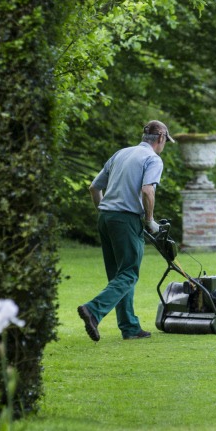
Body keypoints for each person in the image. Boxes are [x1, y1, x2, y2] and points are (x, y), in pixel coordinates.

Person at [77, 120, 175, 342]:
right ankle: (93, 310)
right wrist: (150, 220)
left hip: (106, 217)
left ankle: (130, 327)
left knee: (118, 276)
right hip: (127, 219)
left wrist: (103, 212)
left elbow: (94, 187)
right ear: (161, 138)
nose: (164, 145)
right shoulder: (152, 159)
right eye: (165, 142)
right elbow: (148, 190)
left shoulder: (121, 154)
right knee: (129, 273)